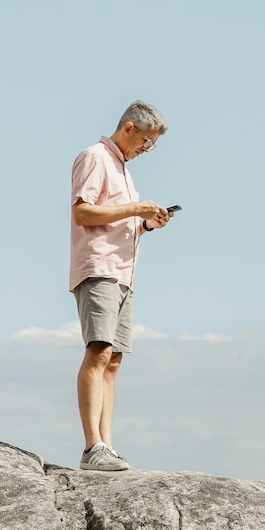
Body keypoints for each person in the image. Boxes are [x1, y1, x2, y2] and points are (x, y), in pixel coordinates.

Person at [69, 100, 172, 473]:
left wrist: (146, 223)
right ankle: (91, 447)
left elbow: (114, 220)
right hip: (99, 268)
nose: (145, 150)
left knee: (113, 361)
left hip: (124, 273)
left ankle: (107, 446)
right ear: (129, 128)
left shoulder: (124, 171)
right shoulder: (95, 156)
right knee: (98, 351)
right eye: (146, 142)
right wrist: (135, 209)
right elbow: (82, 211)